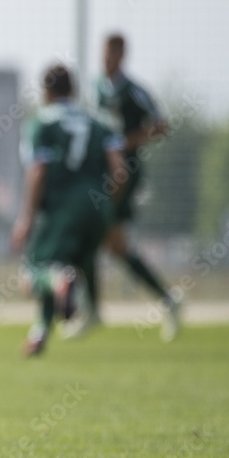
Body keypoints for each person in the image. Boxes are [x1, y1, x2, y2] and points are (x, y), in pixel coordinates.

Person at [66, 33, 180, 341]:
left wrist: (127, 142)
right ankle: (167, 300)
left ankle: (91, 311)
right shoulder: (96, 89)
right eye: (103, 54)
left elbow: (161, 124)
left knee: (93, 236)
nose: (106, 59)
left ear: (122, 55)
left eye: (112, 54)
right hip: (101, 174)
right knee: (115, 247)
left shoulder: (133, 91)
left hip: (123, 175)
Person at [12, 65, 125, 357]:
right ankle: (40, 334)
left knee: (36, 272)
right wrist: (107, 209)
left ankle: (62, 283)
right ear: (73, 90)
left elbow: (38, 171)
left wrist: (26, 217)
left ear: (46, 92)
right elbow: (120, 171)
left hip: (62, 208)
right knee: (66, 268)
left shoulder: (42, 123)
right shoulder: (99, 121)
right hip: (98, 206)